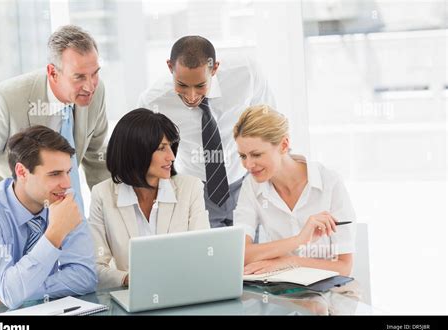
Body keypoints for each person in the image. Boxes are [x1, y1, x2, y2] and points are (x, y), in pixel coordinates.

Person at [138, 35, 275, 227]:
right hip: (198, 191)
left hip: (247, 181)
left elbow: (269, 123)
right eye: (182, 85)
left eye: (200, 86)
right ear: (170, 67)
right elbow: (145, 154)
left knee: (254, 253)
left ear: (215, 69)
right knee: (213, 253)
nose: (191, 96)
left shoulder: (246, 73)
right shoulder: (153, 102)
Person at [0, 25, 109, 212]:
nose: (90, 86)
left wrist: (109, 213)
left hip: (73, 219)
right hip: (19, 221)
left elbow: (97, 158)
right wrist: (15, 200)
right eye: (79, 77)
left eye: (95, 73)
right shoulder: (5, 101)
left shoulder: (97, 91)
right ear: (53, 73)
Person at [0, 126, 97, 310]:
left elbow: (85, 276)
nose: (66, 184)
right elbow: (9, 293)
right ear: (22, 172)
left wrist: (11, 293)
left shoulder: (63, 199)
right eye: (55, 174)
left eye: (68, 172)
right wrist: (55, 233)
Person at [89, 108, 210, 289]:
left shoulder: (191, 188)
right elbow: (95, 268)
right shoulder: (102, 195)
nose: (172, 156)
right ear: (136, 152)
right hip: (132, 297)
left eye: (171, 146)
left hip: (183, 291)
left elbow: (204, 255)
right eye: (162, 148)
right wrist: (128, 279)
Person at [233, 105, 356, 276]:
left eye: (257, 154)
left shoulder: (329, 183)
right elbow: (240, 254)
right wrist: (298, 240)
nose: (248, 165)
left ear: (284, 145)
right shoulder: (251, 186)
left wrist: (290, 262)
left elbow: (344, 267)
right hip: (279, 292)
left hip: (327, 293)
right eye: (243, 156)